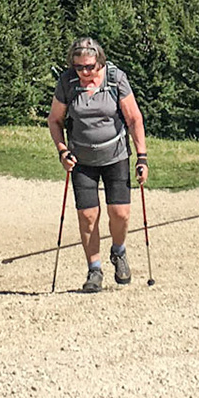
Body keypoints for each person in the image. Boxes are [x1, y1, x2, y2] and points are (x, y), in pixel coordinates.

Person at [47, 37, 149, 293]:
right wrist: (62, 151)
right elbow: (55, 120)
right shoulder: (68, 82)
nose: (84, 72)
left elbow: (134, 119)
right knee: (88, 216)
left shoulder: (115, 79)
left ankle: (119, 251)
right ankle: (94, 270)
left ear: (100, 62)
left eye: (89, 67)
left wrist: (142, 157)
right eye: (78, 67)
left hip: (116, 155)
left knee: (120, 213)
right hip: (82, 159)